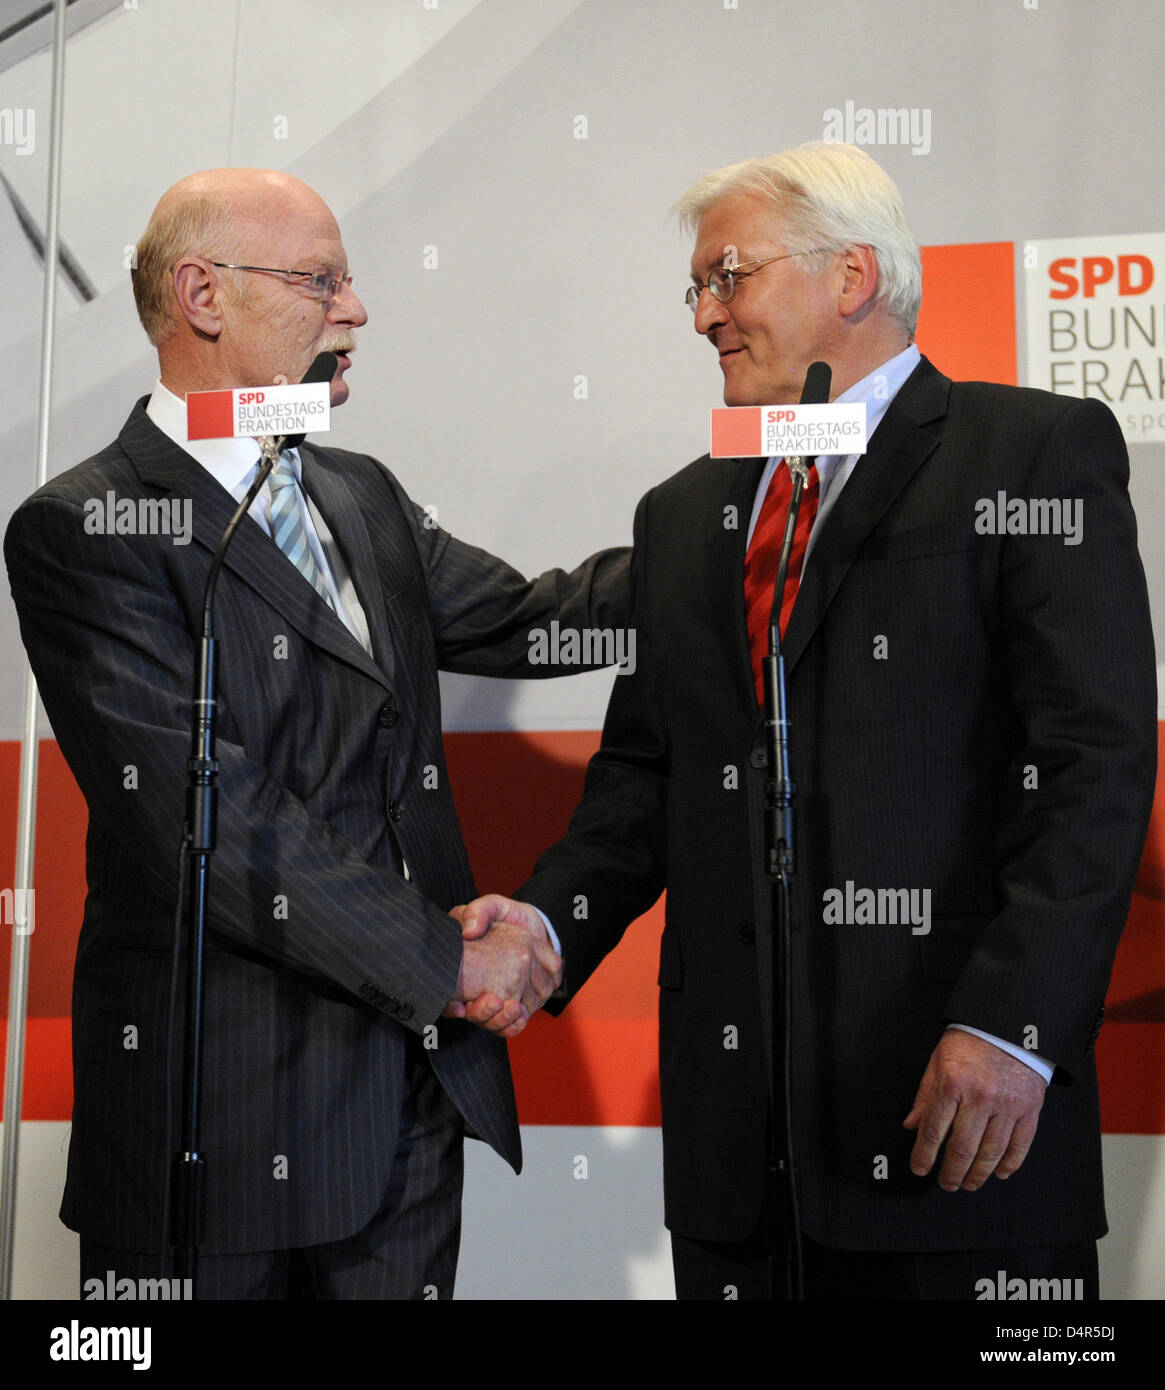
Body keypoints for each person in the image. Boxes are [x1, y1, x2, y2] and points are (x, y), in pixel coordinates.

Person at [451, 142, 1157, 1299]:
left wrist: (1013, 1026)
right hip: (744, 1169)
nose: (704, 317)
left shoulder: (1031, 451)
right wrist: (544, 927)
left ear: (851, 277)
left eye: (728, 277)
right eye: (697, 289)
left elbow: (1094, 764)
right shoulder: (685, 514)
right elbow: (642, 783)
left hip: (957, 1131)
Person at [4, 168, 628, 1300]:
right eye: (321, 279)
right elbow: (210, 814)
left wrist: (743, 540)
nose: (356, 309)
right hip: (218, 1130)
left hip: (406, 1114)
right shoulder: (87, 527)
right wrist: (449, 961)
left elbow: (539, 622)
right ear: (203, 295)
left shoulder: (360, 494)